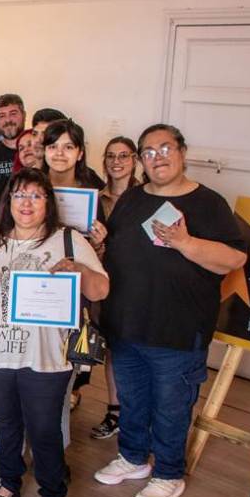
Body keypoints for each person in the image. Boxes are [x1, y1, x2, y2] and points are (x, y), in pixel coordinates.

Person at [0, 168, 109, 497]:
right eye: (20, 195)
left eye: (36, 196)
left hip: (47, 356)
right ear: (9, 201)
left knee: (43, 429)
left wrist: (80, 269)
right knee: (6, 425)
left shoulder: (68, 240)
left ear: (48, 203)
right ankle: (8, 483)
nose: (27, 203)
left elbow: (101, 289)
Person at [96, 124, 245, 497]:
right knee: (132, 398)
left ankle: (168, 473)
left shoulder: (209, 203)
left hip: (178, 330)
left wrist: (185, 242)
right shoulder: (131, 199)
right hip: (127, 323)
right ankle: (132, 458)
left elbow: (234, 259)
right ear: (141, 160)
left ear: (182, 152)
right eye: (148, 151)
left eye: (165, 148)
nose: (157, 157)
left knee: (171, 406)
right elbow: (114, 247)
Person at [41, 119, 107, 409]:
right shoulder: (33, 185)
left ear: (80, 153)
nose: (59, 153)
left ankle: (67, 398)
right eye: (53, 146)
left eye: (68, 147)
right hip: (38, 277)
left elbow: (99, 258)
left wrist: (99, 243)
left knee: (67, 350)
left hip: (74, 282)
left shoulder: (93, 193)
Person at [90, 136, 140, 440]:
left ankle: (137, 414)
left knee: (133, 349)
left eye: (123, 155)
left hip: (136, 282)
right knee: (110, 347)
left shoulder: (145, 197)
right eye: (111, 155)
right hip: (103, 278)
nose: (117, 162)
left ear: (134, 159)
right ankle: (115, 410)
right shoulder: (95, 199)